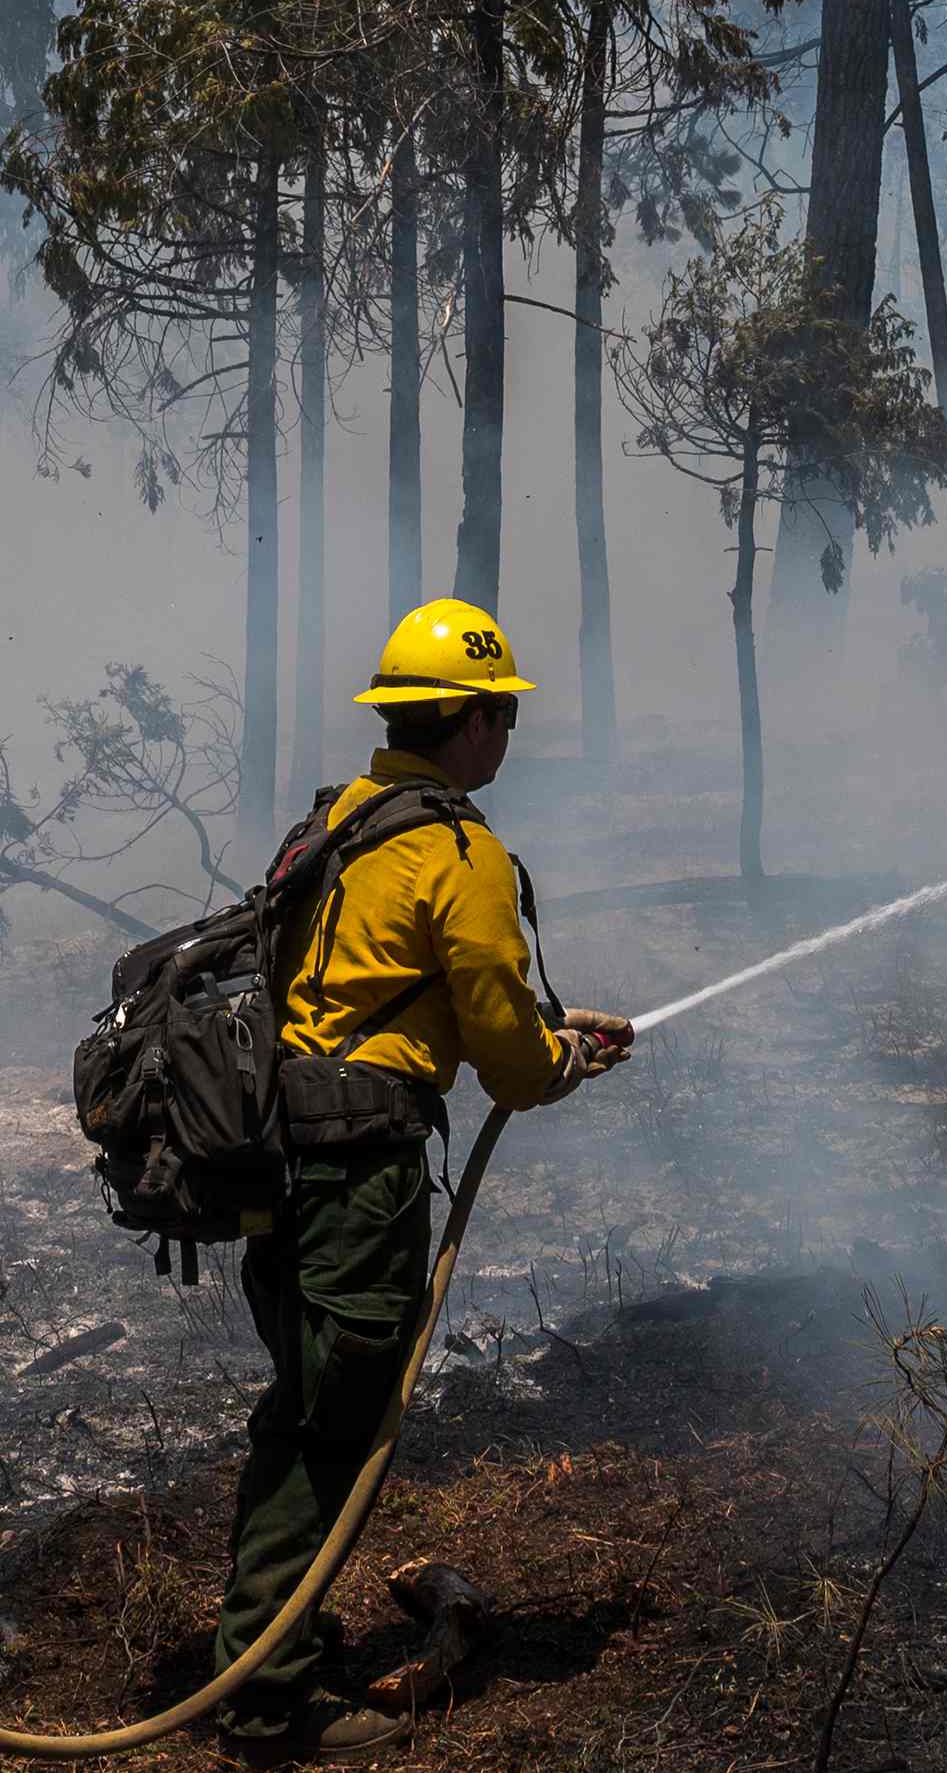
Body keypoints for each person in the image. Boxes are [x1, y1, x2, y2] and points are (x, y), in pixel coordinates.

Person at [209, 601, 634, 1763]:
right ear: (471, 724)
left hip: (281, 1162)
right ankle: (269, 1706)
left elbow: (370, 987)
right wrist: (562, 1061)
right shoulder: (460, 856)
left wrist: (546, 1038)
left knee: (299, 1410)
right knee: (331, 1428)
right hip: (357, 1183)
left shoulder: (340, 822)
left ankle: (263, 1639)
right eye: (500, 714)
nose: (507, 736)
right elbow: (508, 1060)